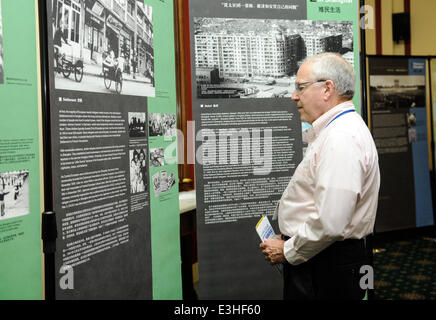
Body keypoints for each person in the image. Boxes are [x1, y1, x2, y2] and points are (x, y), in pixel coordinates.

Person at [260, 53, 380, 300]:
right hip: (322, 258)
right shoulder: (337, 130)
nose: (294, 96)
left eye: (301, 87)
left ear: (327, 89)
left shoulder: (341, 137)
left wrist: (289, 250)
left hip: (326, 264)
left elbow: (331, 222)